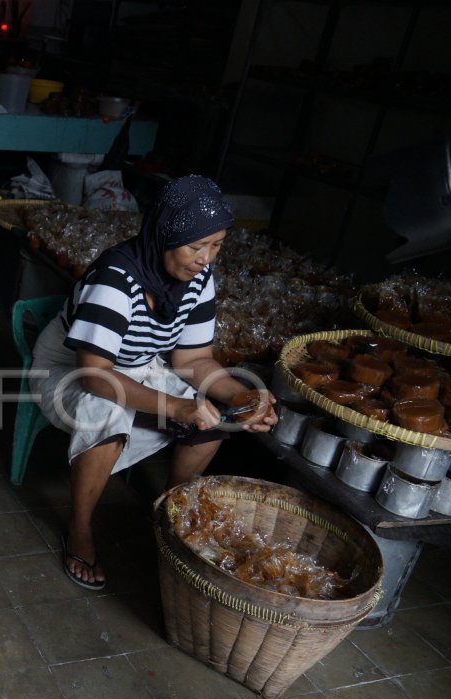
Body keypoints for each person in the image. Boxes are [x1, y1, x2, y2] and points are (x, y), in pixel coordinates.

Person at [29, 175, 279, 590]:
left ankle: (170, 515)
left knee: (215, 420)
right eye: (195, 246)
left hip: (136, 366)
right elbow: (95, 376)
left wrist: (243, 396)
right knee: (106, 415)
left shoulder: (199, 279)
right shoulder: (115, 278)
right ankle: (80, 529)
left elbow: (192, 360)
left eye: (216, 245)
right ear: (163, 235)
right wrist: (177, 406)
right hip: (69, 370)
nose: (205, 258)